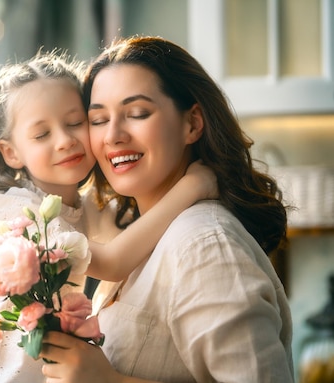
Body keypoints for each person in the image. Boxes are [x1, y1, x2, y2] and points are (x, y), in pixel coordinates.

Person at [0, 50, 216, 382]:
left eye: (75, 123)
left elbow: (143, 230)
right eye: (42, 134)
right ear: (11, 152)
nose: (65, 141)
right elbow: (114, 261)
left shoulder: (85, 207)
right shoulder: (15, 208)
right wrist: (193, 187)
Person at [39, 36, 294, 383]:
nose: (113, 135)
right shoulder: (142, 237)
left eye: (137, 114)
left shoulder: (204, 245)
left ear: (192, 124)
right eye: (98, 119)